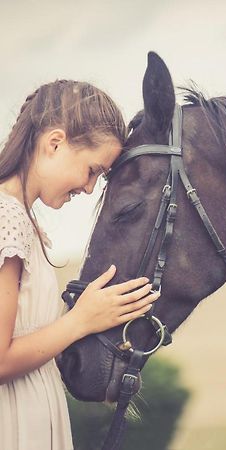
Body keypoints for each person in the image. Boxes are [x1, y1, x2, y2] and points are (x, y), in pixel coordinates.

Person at [0, 80, 160, 450]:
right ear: (54, 143)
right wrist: (79, 321)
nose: (89, 189)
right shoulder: (7, 219)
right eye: (92, 170)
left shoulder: (22, 220)